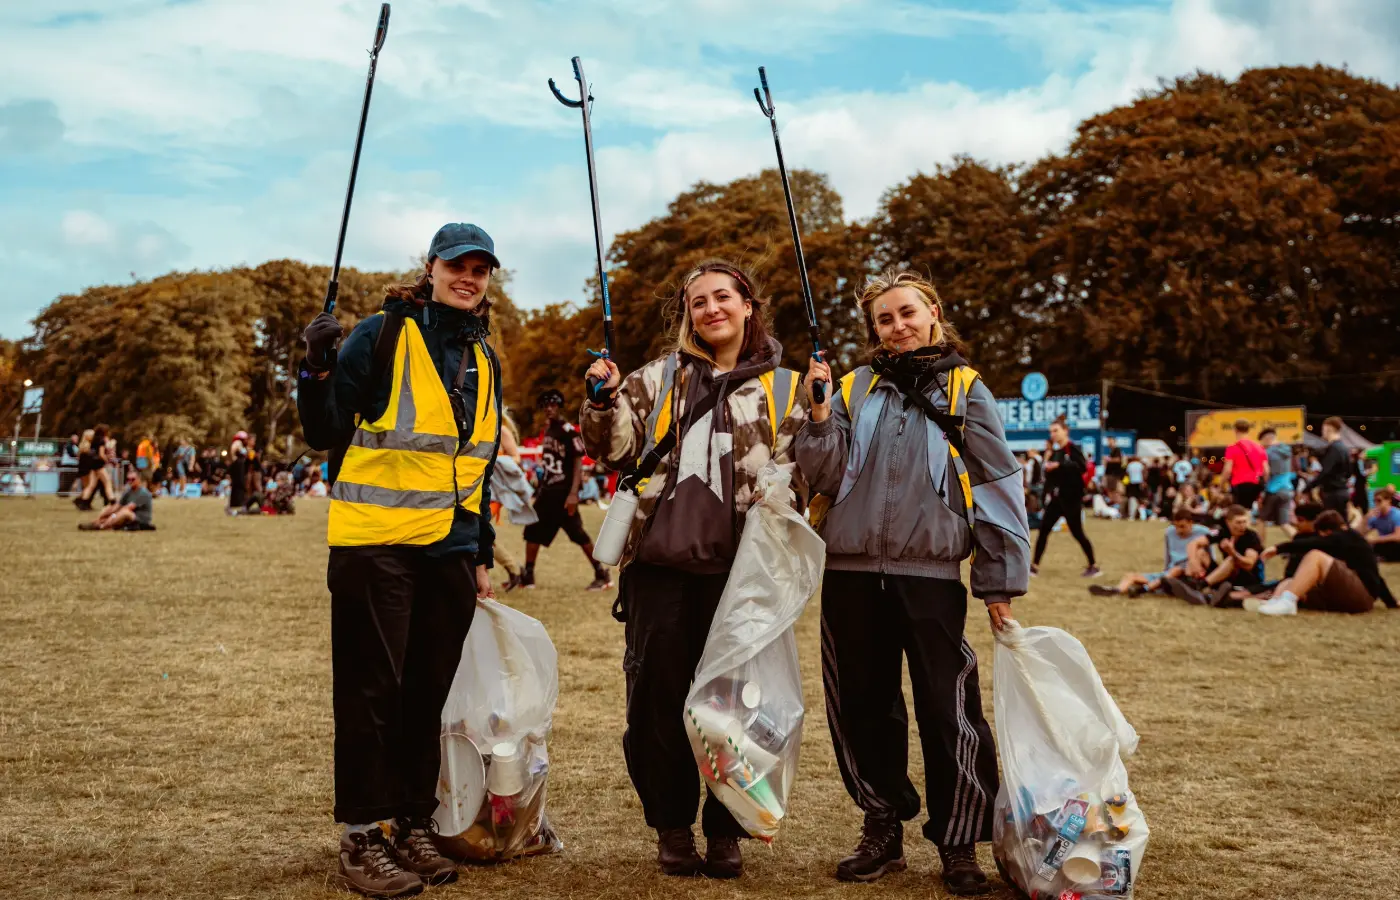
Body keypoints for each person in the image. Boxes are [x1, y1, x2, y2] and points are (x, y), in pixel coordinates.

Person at [795, 270, 1030, 894]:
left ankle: (958, 841)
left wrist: (998, 582)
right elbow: (821, 474)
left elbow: (996, 483)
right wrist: (817, 413)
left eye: (907, 313)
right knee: (864, 707)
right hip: (848, 574)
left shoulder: (966, 388)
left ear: (933, 312)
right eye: (884, 319)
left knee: (947, 708)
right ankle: (882, 825)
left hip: (930, 573)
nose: (897, 326)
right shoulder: (849, 386)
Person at [297, 222, 505, 897]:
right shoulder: (381, 334)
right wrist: (316, 366)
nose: (467, 277)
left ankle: (411, 823)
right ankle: (361, 837)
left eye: (479, 268)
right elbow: (324, 428)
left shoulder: (483, 357)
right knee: (371, 696)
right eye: (456, 265)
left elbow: (474, 466)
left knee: (425, 700)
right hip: (374, 546)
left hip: (446, 552)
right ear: (431, 267)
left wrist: (479, 556)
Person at [581, 259, 806, 880]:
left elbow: (810, 472)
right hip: (659, 568)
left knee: (735, 705)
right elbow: (613, 447)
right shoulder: (655, 378)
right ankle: (673, 828)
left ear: (748, 305)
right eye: (697, 302)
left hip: (742, 574)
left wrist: (818, 414)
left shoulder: (785, 387)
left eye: (722, 298)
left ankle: (726, 829)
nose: (710, 310)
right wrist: (600, 400)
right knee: (657, 703)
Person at [521, 389, 611, 591]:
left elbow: (578, 461)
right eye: (546, 406)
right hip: (548, 491)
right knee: (532, 532)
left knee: (577, 533)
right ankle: (528, 575)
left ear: (559, 407)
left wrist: (573, 494)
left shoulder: (567, 430)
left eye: (553, 405)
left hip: (562, 493)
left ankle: (601, 573)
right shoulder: (549, 430)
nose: (549, 409)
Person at [1246, 510, 1397, 614]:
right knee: (1292, 581)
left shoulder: (1346, 537)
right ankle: (1276, 601)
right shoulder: (1353, 543)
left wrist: (1279, 548)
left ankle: (1287, 602)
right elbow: (1376, 576)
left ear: (1328, 532)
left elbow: (1313, 543)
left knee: (1315, 556)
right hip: (1357, 597)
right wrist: (1391, 602)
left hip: (1360, 599)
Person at [1089, 507, 1211, 596]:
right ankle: (1116, 590)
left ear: (1191, 523)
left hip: (1189, 572)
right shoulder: (1169, 532)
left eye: (1182, 526)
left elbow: (1208, 557)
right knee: (1130, 576)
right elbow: (1168, 554)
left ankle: (1145, 589)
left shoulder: (1203, 532)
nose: (1179, 530)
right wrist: (1165, 570)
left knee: (1177, 570)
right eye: (1176, 526)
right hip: (1170, 572)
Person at [1032, 418, 1099, 577]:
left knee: (1077, 533)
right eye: (1051, 431)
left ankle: (1093, 565)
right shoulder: (1056, 452)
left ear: (1065, 431)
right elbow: (1052, 477)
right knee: (1043, 530)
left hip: (1071, 499)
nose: (1053, 434)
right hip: (1056, 499)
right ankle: (1034, 566)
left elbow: (1082, 467)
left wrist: (1059, 466)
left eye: (1056, 430)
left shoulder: (1072, 449)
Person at [1162, 505, 1263, 606]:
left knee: (1231, 559)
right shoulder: (1222, 532)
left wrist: (1232, 552)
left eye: (1244, 522)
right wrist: (1193, 562)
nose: (1242, 526)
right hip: (1226, 579)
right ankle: (1190, 582)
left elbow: (1249, 564)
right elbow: (1193, 544)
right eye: (1238, 522)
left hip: (1248, 580)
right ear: (1228, 522)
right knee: (1200, 553)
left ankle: (1200, 586)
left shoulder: (1251, 537)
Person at [79, 468, 155, 531]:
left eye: (133, 479)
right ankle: (94, 524)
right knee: (109, 509)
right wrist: (103, 515)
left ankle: (101, 527)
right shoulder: (128, 491)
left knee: (124, 512)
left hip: (141, 520)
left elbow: (127, 508)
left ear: (139, 479)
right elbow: (117, 506)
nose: (130, 481)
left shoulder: (143, 493)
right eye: (128, 479)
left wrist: (112, 516)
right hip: (128, 517)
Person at [1220, 419, 1267, 513]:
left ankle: (1243, 527)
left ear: (1235, 430)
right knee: (1247, 510)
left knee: (1239, 511)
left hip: (1239, 483)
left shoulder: (1232, 448)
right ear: (1248, 430)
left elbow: (1228, 470)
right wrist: (1264, 484)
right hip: (1255, 483)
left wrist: (1221, 484)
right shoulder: (1259, 447)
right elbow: (1266, 470)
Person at [1309, 417, 1351, 515]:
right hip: (1343, 491)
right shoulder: (1344, 448)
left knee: (1331, 525)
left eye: (1323, 429)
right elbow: (1349, 472)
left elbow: (1326, 472)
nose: (1322, 432)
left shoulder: (1334, 448)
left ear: (1329, 429)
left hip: (1333, 494)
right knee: (1342, 524)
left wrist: (1309, 486)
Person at [1258, 429, 1295, 540]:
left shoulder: (1268, 453)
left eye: (1262, 442)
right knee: (1284, 523)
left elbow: (1266, 473)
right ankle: (1301, 544)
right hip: (1287, 490)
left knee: (1261, 520)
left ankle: (1258, 549)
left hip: (1273, 490)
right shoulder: (1287, 450)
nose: (1262, 445)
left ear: (1267, 439)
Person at [1363, 486, 1400, 562]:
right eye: (1374, 501)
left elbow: (1397, 536)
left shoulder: (1396, 514)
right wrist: (1366, 518)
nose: (1376, 503)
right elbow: (1362, 533)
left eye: (1379, 501)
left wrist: (1375, 540)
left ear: (1388, 500)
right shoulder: (1376, 516)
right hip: (1385, 545)